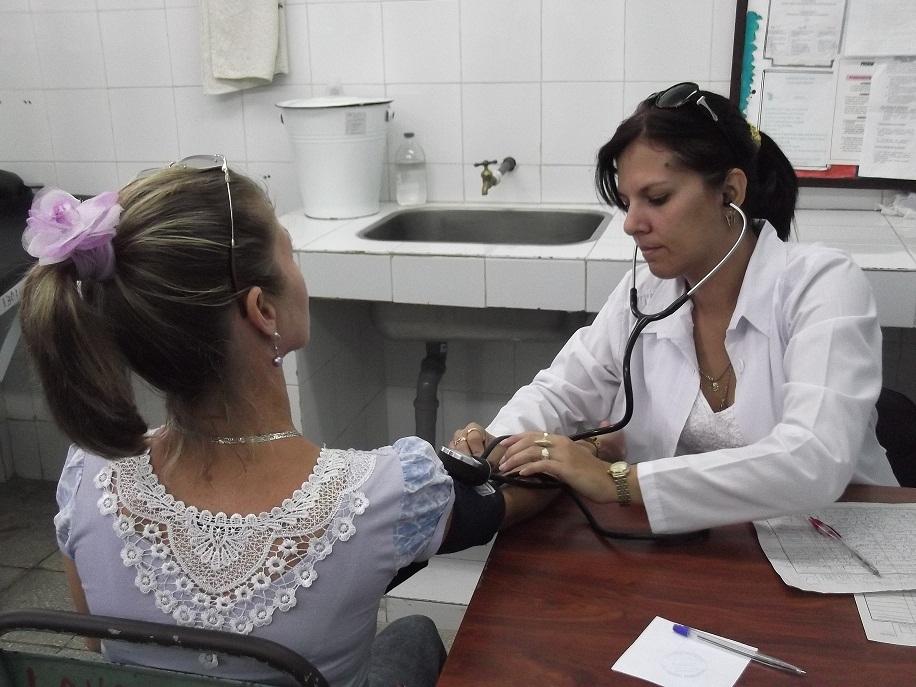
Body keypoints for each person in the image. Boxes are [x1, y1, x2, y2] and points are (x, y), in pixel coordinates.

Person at [19, 158, 546, 687]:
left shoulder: (88, 474)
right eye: (289, 252)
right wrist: (596, 463)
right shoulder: (386, 493)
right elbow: (518, 499)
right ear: (262, 310)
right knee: (414, 634)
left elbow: (93, 641)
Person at [451, 82, 898, 535]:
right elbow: (560, 392)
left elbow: (813, 460)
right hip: (707, 549)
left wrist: (618, 480)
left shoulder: (822, 284)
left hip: (836, 542)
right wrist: (496, 443)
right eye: (627, 203)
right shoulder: (646, 294)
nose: (630, 224)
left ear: (729, 192)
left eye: (657, 198)